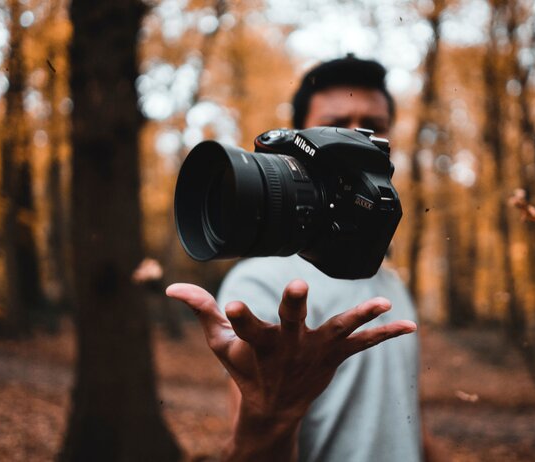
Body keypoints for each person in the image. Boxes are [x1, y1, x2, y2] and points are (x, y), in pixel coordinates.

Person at [167, 56, 430, 462]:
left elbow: (402, 421)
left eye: (371, 128)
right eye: (338, 125)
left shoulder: (387, 277)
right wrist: (271, 415)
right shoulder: (263, 281)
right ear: (302, 137)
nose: (356, 139)